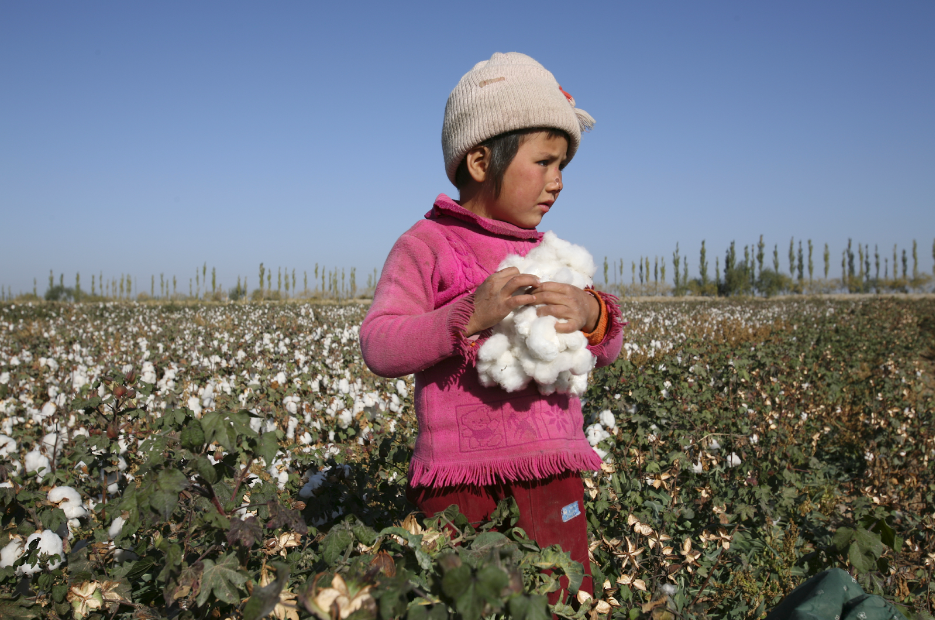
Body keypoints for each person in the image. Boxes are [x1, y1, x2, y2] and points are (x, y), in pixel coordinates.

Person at [360, 52, 623, 603]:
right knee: (462, 602)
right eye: (544, 162)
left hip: (553, 476)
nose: (556, 183)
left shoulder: (552, 254)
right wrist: (467, 317)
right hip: (459, 482)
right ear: (480, 161)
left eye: (562, 168)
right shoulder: (427, 246)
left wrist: (593, 316)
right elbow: (380, 344)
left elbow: (607, 348)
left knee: (558, 600)